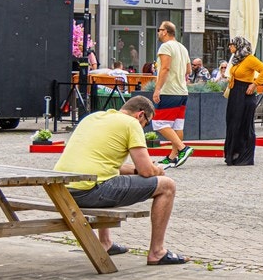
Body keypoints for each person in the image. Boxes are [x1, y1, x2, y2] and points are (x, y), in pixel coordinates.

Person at [54, 95, 185, 266]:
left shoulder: (92, 118)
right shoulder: (131, 124)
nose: (144, 128)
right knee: (167, 186)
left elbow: (104, 164)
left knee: (110, 177)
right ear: (140, 115)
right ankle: (157, 252)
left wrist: (137, 169)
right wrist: (158, 170)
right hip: (88, 191)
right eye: (146, 123)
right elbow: (146, 171)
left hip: (62, 190)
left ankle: (105, 242)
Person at [149, 21, 193, 168]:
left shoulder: (166, 46)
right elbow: (189, 71)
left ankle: (182, 148)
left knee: (159, 123)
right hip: (182, 91)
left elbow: (165, 68)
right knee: (177, 125)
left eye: (159, 30)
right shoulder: (182, 47)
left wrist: (157, 89)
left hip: (169, 91)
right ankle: (173, 157)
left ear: (165, 32)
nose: (158, 32)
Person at [222, 36, 263, 166]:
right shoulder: (237, 59)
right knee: (232, 122)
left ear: (238, 45)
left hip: (245, 93)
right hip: (235, 92)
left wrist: (255, 84)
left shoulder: (250, 59)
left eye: (231, 44)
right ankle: (232, 154)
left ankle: (243, 155)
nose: (229, 46)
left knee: (243, 123)